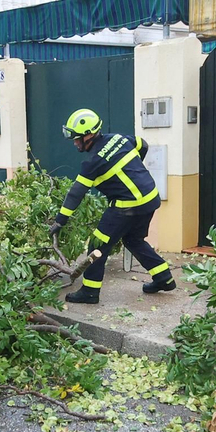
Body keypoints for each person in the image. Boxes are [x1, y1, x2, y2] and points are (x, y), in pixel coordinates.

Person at [48, 108, 176, 305]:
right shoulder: (119, 139)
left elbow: (76, 193)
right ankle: (163, 278)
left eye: (76, 138)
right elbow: (143, 144)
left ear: (89, 135)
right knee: (134, 240)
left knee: (97, 245)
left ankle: (89, 292)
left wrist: (60, 221)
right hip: (150, 199)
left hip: (126, 207)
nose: (74, 143)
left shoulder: (93, 162)